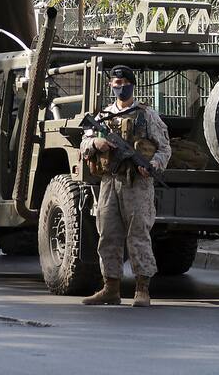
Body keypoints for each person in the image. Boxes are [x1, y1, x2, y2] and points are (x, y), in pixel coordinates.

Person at [80, 65, 171, 307]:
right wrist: (96, 142)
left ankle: (142, 289)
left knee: (138, 234)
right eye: (116, 84)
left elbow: (164, 148)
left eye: (124, 84)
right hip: (110, 181)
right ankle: (111, 287)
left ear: (132, 85)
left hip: (138, 184)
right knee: (108, 234)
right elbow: (84, 143)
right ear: (111, 85)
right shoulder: (103, 117)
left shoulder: (146, 115)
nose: (120, 88)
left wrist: (152, 166)